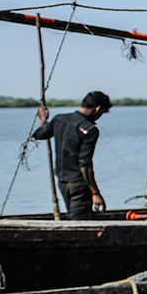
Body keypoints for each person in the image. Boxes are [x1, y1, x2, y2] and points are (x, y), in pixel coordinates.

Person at [32, 90, 111, 219]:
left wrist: (43, 120)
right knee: (79, 220)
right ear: (98, 109)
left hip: (62, 181)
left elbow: (38, 134)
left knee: (76, 214)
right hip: (78, 183)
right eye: (101, 113)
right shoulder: (90, 130)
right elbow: (84, 163)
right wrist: (95, 192)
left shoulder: (59, 120)